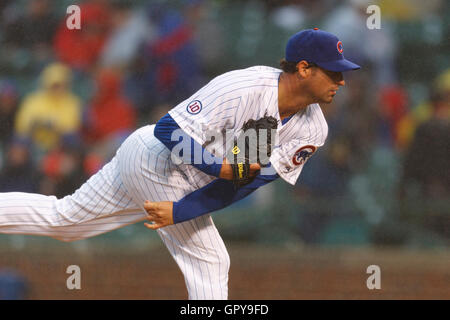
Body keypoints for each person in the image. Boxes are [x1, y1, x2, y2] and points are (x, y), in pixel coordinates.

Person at [0, 29, 360, 299]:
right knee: (211, 261)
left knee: (66, 222)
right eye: (333, 73)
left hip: (177, 179)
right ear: (304, 68)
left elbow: (248, 182)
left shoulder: (314, 127)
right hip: (155, 158)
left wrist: (184, 209)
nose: (341, 81)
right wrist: (216, 171)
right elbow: (167, 129)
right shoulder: (244, 87)